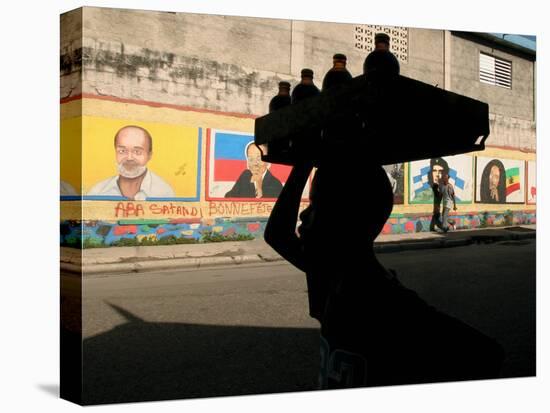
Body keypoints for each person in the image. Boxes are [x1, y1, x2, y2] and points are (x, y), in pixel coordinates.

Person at [264, 142, 503, 388]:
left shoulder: (390, 306)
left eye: (316, 206)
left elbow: (487, 355)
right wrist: (304, 162)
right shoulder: (332, 277)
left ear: (346, 219)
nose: (303, 216)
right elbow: (277, 235)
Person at [87, 125, 175, 200]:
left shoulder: (164, 193)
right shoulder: (97, 192)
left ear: (149, 155)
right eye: (122, 151)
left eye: (137, 152)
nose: (129, 158)